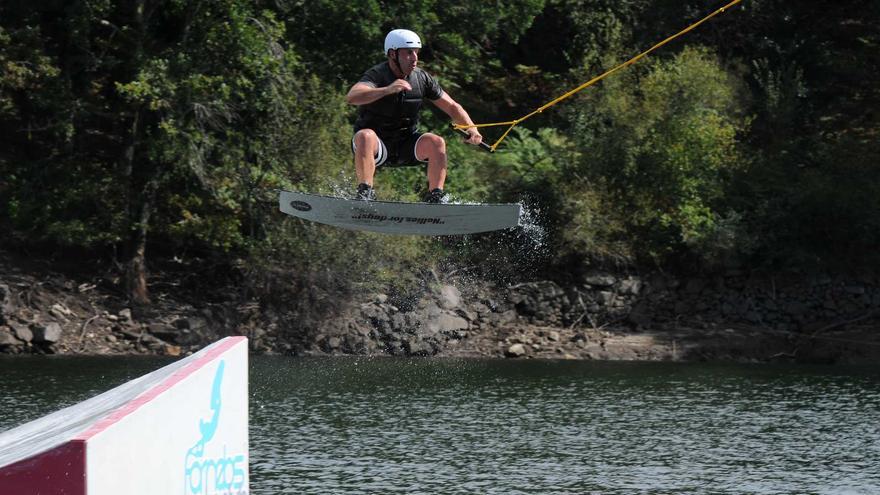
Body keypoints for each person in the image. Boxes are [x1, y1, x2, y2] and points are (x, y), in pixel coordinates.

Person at [345, 28, 483, 203]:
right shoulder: (377, 74)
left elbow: (453, 107)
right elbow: (352, 97)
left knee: (436, 142)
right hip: (376, 146)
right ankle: (365, 194)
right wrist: (387, 90)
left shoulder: (422, 78)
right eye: (409, 53)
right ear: (392, 54)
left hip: (405, 144)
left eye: (416, 52)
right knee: (365, 135)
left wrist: (472, 128)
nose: (415, 58)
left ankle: (435, 197)